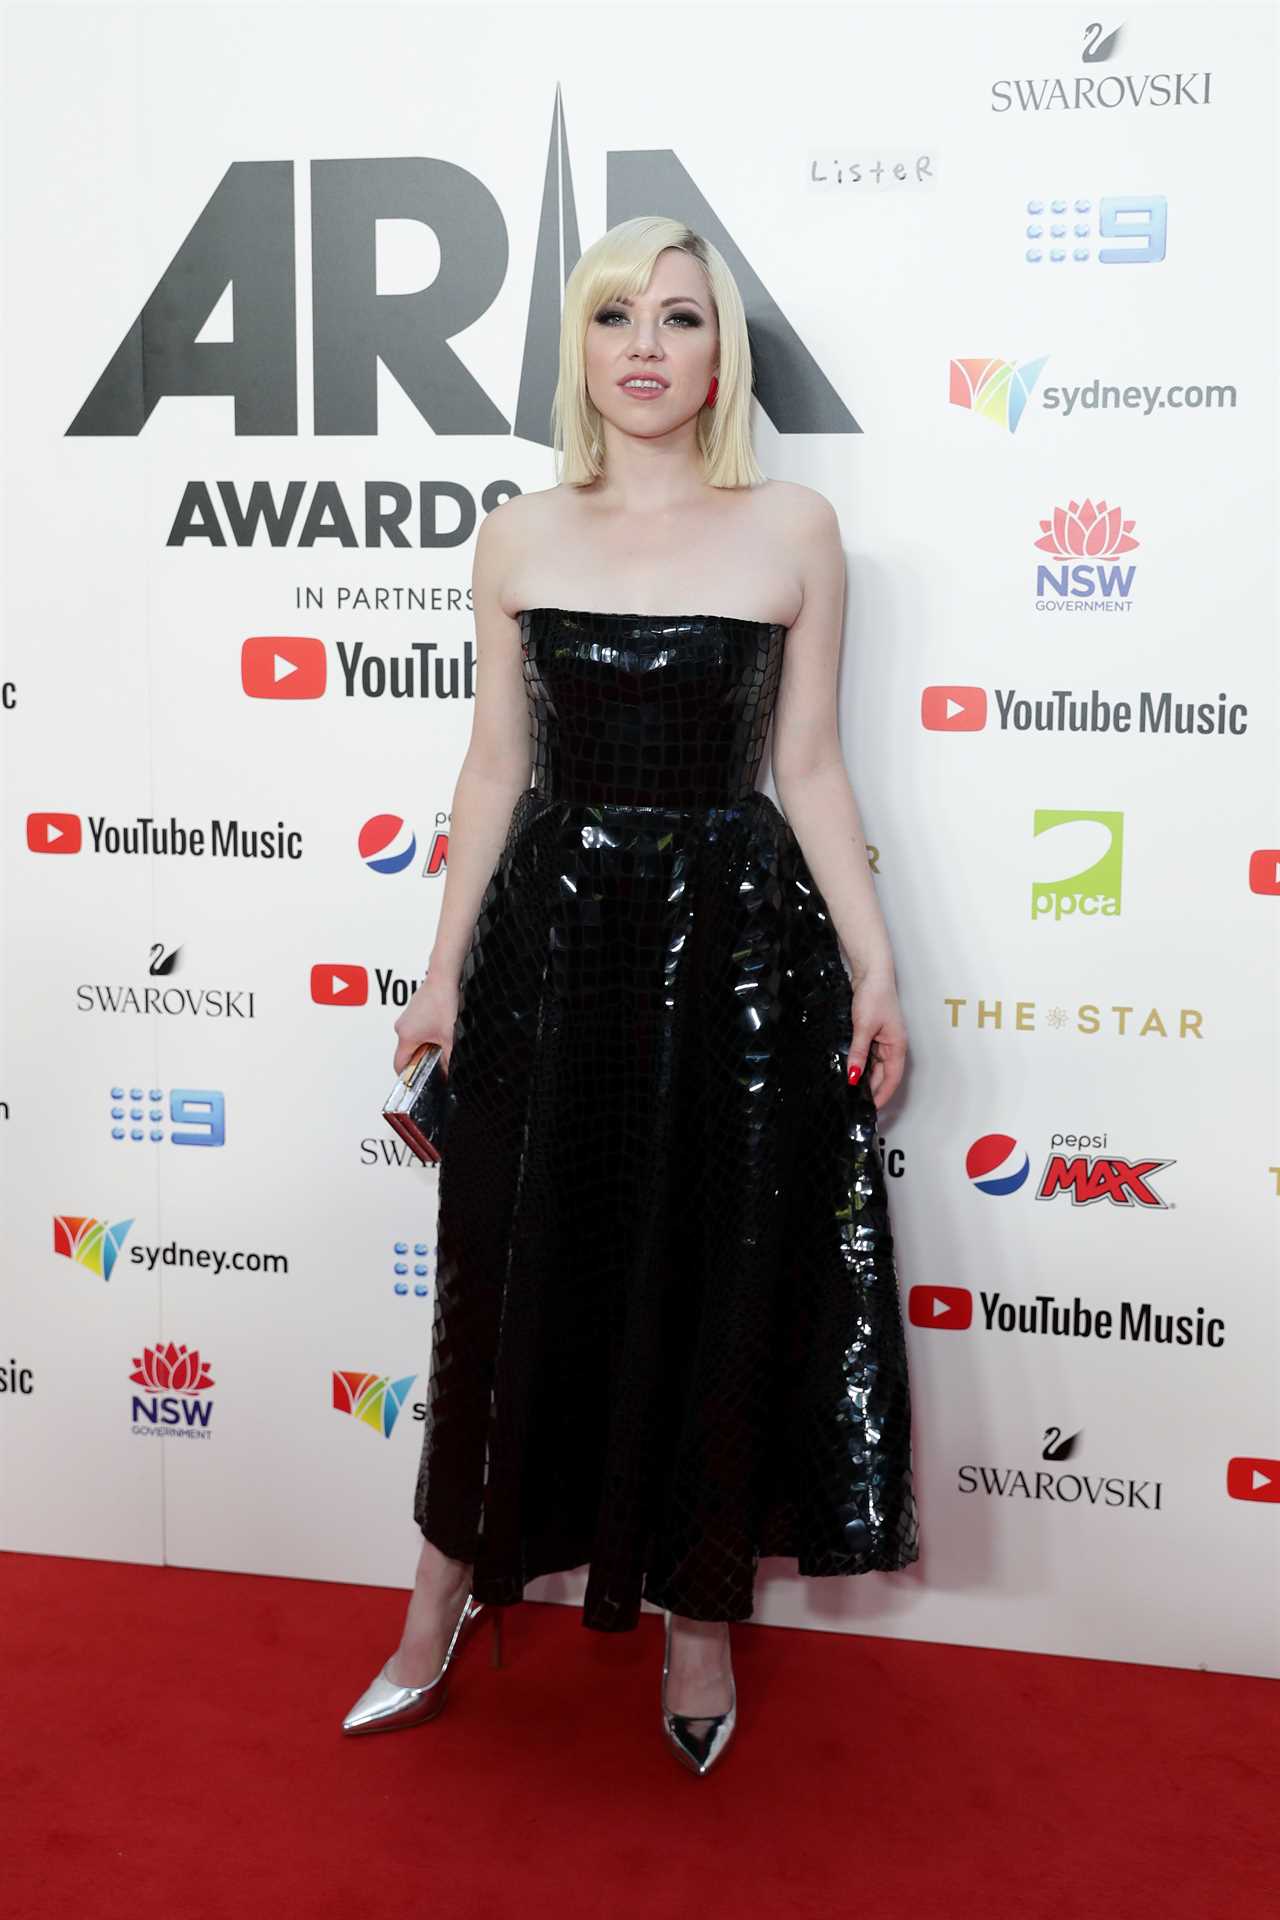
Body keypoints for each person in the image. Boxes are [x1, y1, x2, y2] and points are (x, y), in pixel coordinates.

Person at [343, 215, 920, 1775]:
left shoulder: (794, 526)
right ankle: (443, 1595)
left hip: (738, 953)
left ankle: (697, 1614)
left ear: (720, 352)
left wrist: (874, 963)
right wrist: (443, 968)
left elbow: (804, 763)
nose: (648, 345)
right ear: (582, 350)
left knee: (713, 1276)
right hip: (557, 941)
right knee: (510, 1277)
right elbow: (494, 764)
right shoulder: (519, 532)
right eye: (616, 317)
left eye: (681, 316)